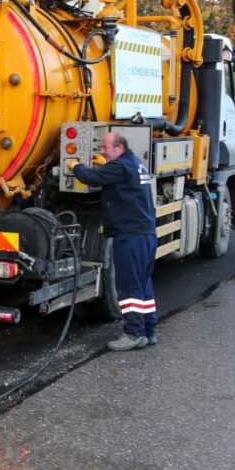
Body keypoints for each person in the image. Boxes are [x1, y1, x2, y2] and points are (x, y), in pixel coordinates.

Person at [71, 132, 157, 351]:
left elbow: (92, 178)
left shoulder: (119, 167)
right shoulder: (133, 163)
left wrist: (74, 166)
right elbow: (112, 173)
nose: (102, 150)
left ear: (119, 147)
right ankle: (149, 330)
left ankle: (134, 334)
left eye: (106, 147)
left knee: (128, 286)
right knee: (142, 284)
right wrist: (106, 163)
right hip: (144, 234)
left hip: (130, 235)